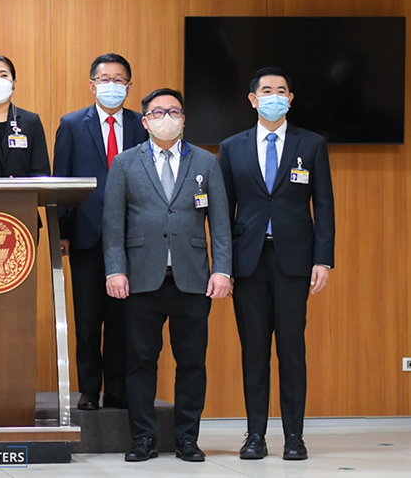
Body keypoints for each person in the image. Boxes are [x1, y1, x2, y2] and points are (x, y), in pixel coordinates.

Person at [103, 88, 232, 463]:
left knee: (192, 363)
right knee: (141, 362)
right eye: (158, 113)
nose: (167, 118)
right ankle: (143, 438)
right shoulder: (125, 163)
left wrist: (222, 269)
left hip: (192, 278)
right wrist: (115, 269)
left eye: (174, 112)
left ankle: (187, 438)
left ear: (184, 119)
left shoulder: (206, 162)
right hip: (141, 277)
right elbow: (113, 224)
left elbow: (220, 224)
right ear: (145, 121)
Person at [219, 67, 335, 461]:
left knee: (292, 350)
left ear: (291, 98)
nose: (275, 96)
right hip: (247, 261)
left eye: (281, 90)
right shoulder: (231, 147)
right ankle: (254, 435)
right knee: (254, 351)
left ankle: (294, 437)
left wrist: (323, 259)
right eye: (267, 90)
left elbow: (324, 205)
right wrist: (223, 264)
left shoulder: (312, 144)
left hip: (294, 261)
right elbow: (223, 211)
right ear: (253, 99)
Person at [53, 53, 148, 411]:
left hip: (131, 236)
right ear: (92, 85)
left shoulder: (142, 125)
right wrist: (62, 231)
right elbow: (61, 180)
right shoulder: (72, 124)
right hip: (86, 233)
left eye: (119, 80)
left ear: (129, 86)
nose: (112, 85)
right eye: (105, 79)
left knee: (123, 319)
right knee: (89, 319)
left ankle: (118, 389)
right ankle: (90, 390)